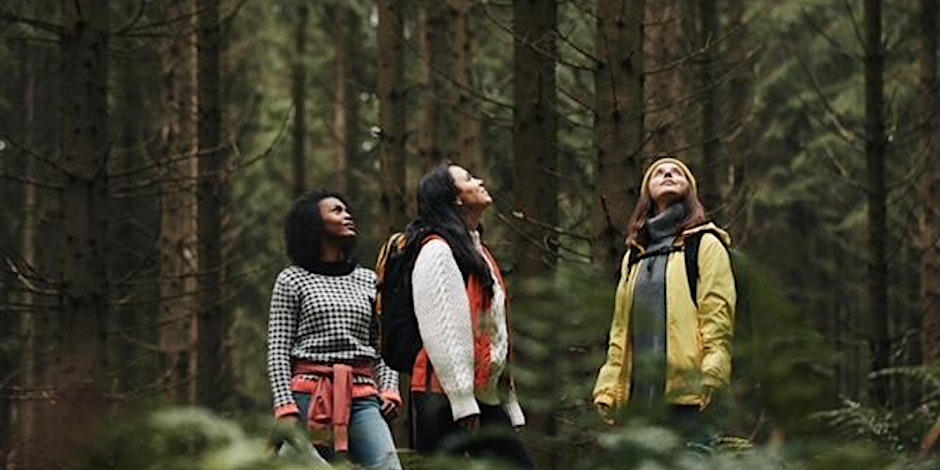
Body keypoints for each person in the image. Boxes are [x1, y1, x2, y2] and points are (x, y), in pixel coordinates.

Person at [593, 157, 736, 440]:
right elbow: (620, 329)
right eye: (659, 172)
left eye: (677, 172)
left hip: (689, 400)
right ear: (647, 192)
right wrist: (609, 385)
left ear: (690, 190)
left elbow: (717, 316)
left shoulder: (705, 244)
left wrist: (713, 374)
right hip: (639, 404)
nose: (668, 172)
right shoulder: (634, 255)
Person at [403, 162, 533, 468]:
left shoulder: (476, 251)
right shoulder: (437, 251)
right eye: (469, 179)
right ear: (456, 198)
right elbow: (445, 329)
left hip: (481, 396)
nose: (480, 180)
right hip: (443, 397)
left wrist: (507, 400)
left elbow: (495, 332)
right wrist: (462, 400)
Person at [267, 190, 403, 470]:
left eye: (347, 210)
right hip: (307, 394)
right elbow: (278, 349)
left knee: (388, 465)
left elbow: (382, 343)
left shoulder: (368, 280)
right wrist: (285, 406)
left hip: (363, 394)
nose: (348, 215)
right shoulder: (292, 280)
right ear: (314, 224)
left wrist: (389, 388)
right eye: (337, 211)